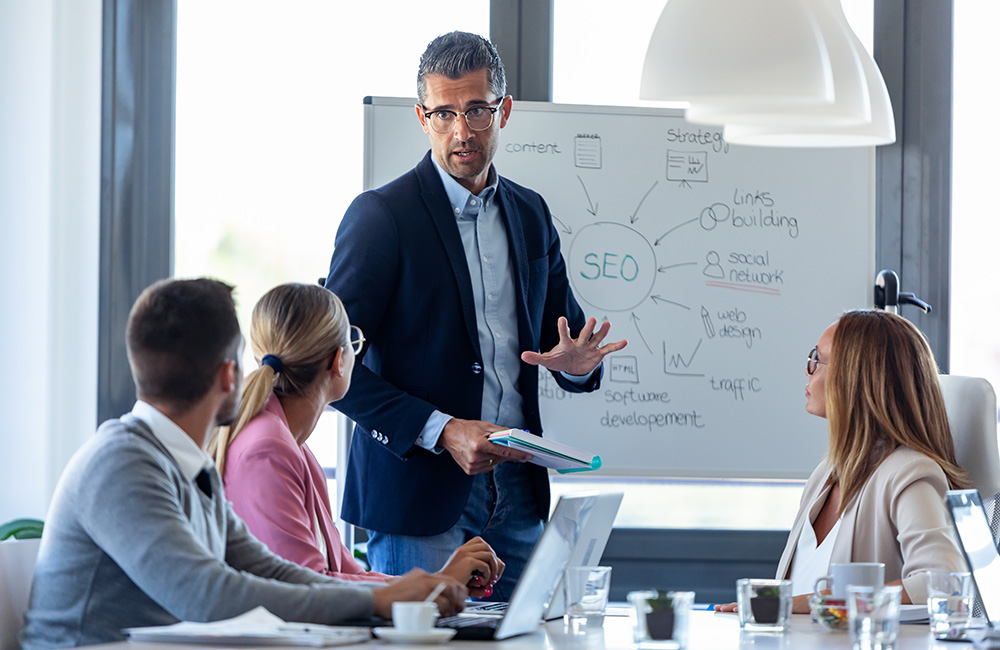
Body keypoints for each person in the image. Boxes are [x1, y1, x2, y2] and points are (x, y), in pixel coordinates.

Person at [323, 31, 627, 598]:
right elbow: (329, 371)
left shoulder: (531, 214)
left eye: (477, 111)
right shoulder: (381, 218)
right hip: (419, 494)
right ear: (422, 117)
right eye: (444, 114)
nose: (461, 131)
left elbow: (563, 344)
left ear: (503, 111)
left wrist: (579, 364)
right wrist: (443, 431)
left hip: (519, 492)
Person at [21, 278, 466, 650]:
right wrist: (376, 602)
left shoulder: (188, 466)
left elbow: (269, 569)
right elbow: (208, 595)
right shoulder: (120, 463)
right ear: (228, 375)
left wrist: (389, 594)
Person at [208, 283, 503, 594]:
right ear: (338, 360)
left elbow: (341, 572)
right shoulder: (268, 449)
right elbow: (309, 589)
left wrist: (439, 583)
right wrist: (436, 586)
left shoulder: (292, 444)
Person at [716, 309, 968, 614]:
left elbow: (943, 581)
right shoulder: (825, 474)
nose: (808, 370)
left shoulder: (910, 474)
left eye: (817, 359)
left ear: (854, 378)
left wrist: (803, 604)